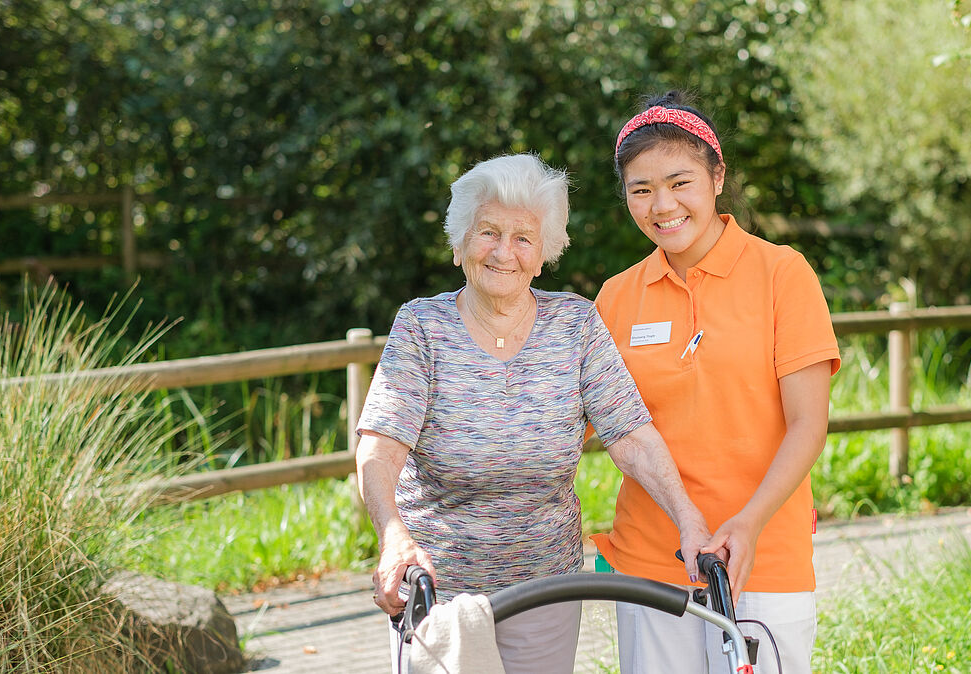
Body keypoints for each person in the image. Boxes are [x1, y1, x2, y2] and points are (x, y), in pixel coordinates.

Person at [354, 152, 711, 674]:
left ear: (542, 255)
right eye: (487, 233)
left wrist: (688, 519)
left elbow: (631, 436)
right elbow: (379, 448)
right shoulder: (422, 329)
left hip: (548, 587)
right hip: (439, 589)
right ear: (459, 247)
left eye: (523, 238)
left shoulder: (574, 324)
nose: (505, 252)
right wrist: (392, 539)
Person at [589, 92, 842, 674]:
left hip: (762, 555)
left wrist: (748, 524)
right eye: (642, 189)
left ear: (717, 176)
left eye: (680, 182)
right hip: (650, 561)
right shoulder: (615, 297)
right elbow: (580, 426)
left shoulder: (782, 273)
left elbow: (809, 424)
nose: (663, 205)